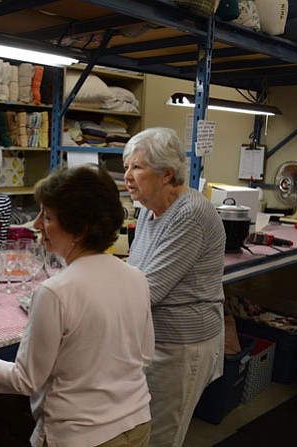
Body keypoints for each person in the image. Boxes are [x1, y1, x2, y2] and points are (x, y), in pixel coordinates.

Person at [0, 165, 154, 447]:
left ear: (78, 230)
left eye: (48, 216)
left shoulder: (55, 292)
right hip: (137, 423)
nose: (37, 224)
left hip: (82, 436)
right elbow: (144, 354)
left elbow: (23, 380)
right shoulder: (136, 277)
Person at [123, 127, 226, 447]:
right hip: (151, 340)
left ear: (166, 174)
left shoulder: (190, 213)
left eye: (136, 167)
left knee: (160, 437)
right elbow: (134, 272)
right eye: (126, 166)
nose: (127, 176)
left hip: (180, 346)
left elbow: (148, 290)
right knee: (140, 431)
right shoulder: (149, 209)